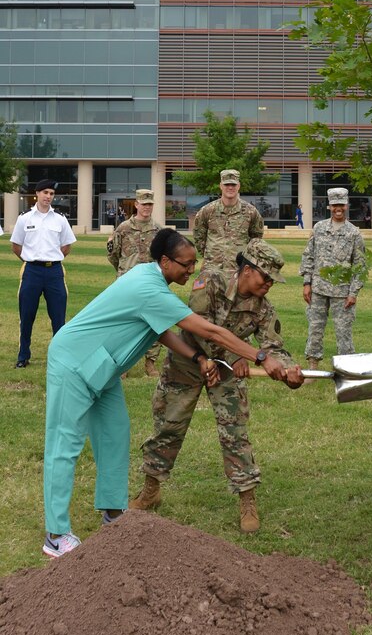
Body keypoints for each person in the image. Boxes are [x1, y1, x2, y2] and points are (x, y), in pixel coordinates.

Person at [42, 228, 302, 559]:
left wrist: (199, 356)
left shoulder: (150, 279)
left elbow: (161, 329)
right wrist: (260, 357)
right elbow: (208, 330)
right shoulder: (148, 287)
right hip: (74, 361)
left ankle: (113, 511)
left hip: (102, 368)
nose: (192, 270)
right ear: (165, 262)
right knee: (65, 445)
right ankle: (55, 534)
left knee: (115, 434)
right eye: (186, 264)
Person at [132, 240, 299, 533]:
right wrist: (234, 355)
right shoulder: (210, 280)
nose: (270, 284)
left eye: (273, 279)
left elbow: (274, 347)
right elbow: (196, 326)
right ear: (247, 269)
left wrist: (288, 371)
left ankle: (247, 499)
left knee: (235, 432)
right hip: (187, 362)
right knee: (169, 426)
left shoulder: (263, 307)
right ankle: (151, 490)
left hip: (227, 373)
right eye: (266, 276)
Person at [10, 179, 77, 369]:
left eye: (51, 193)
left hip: (54, 272)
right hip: (32, 271)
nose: (48, 196)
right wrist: (30, 260)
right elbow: (16, 246)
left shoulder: (60, 219)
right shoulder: (25, 218)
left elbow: (66, 246)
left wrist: (51, 260)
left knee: (58, 317)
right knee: (27, 315)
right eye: (45, 192)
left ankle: (60, 357)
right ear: (37, 193)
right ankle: (23, 356)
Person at [299, 187, 366, 369]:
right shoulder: (319, 228)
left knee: (344, 332)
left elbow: (359, 266)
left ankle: (347, 370)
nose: (339, 208)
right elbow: (309, 256)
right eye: (335, 204)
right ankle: (313, 367)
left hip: (342, 292)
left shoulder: (354, 233)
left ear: (347, 205)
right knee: (315, 329)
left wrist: (353, 293)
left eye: (342, 205)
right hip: (318, 289)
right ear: (329, 206)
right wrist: (307, 282)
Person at [107, 188, 163, 377]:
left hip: (150, 283)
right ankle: (123, 364)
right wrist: (123, 272)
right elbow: (113, 255)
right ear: (136, 205)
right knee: (125, 323)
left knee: (153, 322)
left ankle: (151, 363)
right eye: (143, 204)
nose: (146, 207)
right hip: (127, 283)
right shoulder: (123, 228)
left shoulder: (158, 230)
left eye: (150, 204)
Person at [193, 168, 264, 271]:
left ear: (238, 186)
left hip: (239, 270)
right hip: (212, 270)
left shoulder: (251, 212)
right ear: (221, 186)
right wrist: (211, 255)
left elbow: (256, 239)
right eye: (226, 184)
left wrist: (247, 260)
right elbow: (198, 236)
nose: (230, 188)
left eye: (233, 185)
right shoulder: (207, 210)